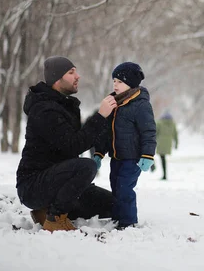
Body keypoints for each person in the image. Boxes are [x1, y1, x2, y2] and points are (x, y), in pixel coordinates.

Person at [16, 56, 117, 232]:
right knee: (87, 166)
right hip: (33, 186)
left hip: (57, 181)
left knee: (116, 205)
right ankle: (55, 218)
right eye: (71, 72)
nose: (78, 76)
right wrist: (99, 117)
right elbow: (73, 145)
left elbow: (75, 143)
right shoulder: (44, 110)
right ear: (57, 79)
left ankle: (45, 211)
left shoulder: (65, 106)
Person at [93, 62, 157, 229]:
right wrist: (99, 153)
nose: (115, 84)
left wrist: (148, 155)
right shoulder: (113, 103)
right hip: (116, 156)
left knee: (124, 188)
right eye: (114, 80)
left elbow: (149, 131)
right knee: (115, 185)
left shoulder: (140, 105)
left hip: (133, 157)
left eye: (120, 81)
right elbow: (106, 132)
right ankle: (117, 217)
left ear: (131, 83)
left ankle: (128, 222)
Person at [156, 110, 178, 180]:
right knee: (163, 158)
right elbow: (175, 134)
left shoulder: (159, 123)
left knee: (162, 158)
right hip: (168, 144)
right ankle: (164, 174)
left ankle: (164, 175)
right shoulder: (173, 124)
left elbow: (155, 133)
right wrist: (176, 143)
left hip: (160, 143)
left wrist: (152, 141)